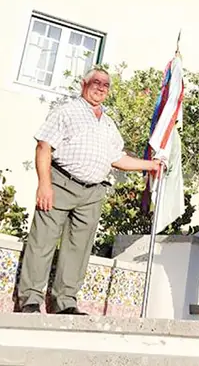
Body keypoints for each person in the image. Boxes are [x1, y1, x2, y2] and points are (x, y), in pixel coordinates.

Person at [16, 67, 162, 315]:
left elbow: (118, 158)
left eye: (106, 84)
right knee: (42, 243)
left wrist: (152, 165)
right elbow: (44, 147)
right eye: (96, 82)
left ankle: (65, 302)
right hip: (60, 183)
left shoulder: (108, 124)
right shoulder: (67, 112)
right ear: (84, 84)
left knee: (79, 249)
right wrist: (44, 184)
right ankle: (30, 299)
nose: (101, 87)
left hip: (92, 193)